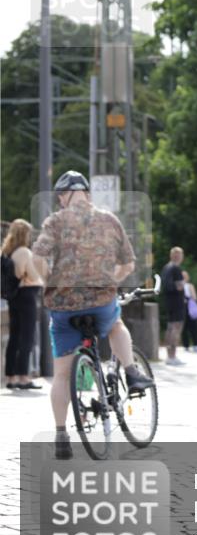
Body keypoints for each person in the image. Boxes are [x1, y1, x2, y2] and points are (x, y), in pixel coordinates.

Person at [31, 171, 153, 459]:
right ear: (87, 193)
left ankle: (61, 435)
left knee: (62, 375)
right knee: (116, 325)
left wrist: (50, 282)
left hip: (62, 306)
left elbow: (37, 258)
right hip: (100, 301)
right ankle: (131, 373)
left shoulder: (55, 221)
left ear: (63, 196)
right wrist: (111, 279)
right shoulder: (109, 220)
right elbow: (129, 264)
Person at [3, 219, 43, 390]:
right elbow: (33, 276)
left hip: (14, 297)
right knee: (27, 336)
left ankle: (11, 377)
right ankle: (23, 377)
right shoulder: (24, 252)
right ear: (24, 234)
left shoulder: (7, 251)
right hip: (27, 296)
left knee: (14, 336)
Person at [161, 247, 186, 366]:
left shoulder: (166, 267)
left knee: (170, 327)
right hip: (177, 302)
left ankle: (169, 355)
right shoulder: (176, 268)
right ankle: (172, 356)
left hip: (169, 301)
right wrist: (184, 281)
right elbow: (179, 286)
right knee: (176, 328)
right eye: (178, 255)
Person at [181, 271, 197, 352]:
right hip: (185, 307)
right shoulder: (187, 286)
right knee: (188, 327)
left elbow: (195, 297)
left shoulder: (188, 286)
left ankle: (192, 344)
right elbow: (195, 297)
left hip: (187, 307)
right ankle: (190, 345)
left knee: (190, 326)